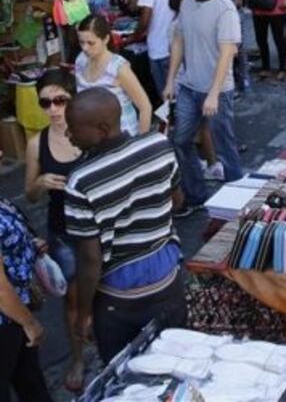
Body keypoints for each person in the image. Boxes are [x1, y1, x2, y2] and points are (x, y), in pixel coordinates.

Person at [64, 88, 186, 364]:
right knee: (174, 362)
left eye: (73, 129)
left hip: (119, 299)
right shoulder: (159, 146)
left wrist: (83, 315)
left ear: (102, 129)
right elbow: (177, 201)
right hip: (167, 280)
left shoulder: (81, 181)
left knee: (124, 376)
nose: (68, 135)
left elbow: (90, 259)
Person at [162, 0, 244, 212]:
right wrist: (170, 80)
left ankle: (237, 200)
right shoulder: (186, 4)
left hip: (217, 90)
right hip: (188, 86)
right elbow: (178, 41)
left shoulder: (225, 9)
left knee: (224, 145)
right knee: (180, 140)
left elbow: (227, 53)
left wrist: (213, 93)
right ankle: (197, 196)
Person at [23, 69, 84, 392]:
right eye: (46, 103)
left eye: (60, 100)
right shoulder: (37, 144)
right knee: (72, 303)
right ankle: (78, 358)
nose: (53, 109)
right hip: (63, 232)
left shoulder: (89, 130)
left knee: (108, 295)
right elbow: (29, 193)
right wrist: (40, 183)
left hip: (99, 229)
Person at [0, 197, 52, 402]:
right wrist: (29, 322)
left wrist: (29, 247)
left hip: (15, 313)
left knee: (32, 385)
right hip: (7, 320)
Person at [74, 14, 152, 135]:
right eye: (81, 42)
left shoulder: (119, 68)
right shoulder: (80, 61)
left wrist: (141, 141)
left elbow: (145, 107)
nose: (85, 48)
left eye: (91, 43)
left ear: (105, 39)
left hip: (124, 136)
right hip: (94, 137)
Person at [132, 0, 177, 97]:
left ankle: (169, 120)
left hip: (159, 48)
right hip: (172, 44)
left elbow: (145, 19)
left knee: (165, 93)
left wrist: (133, 36)